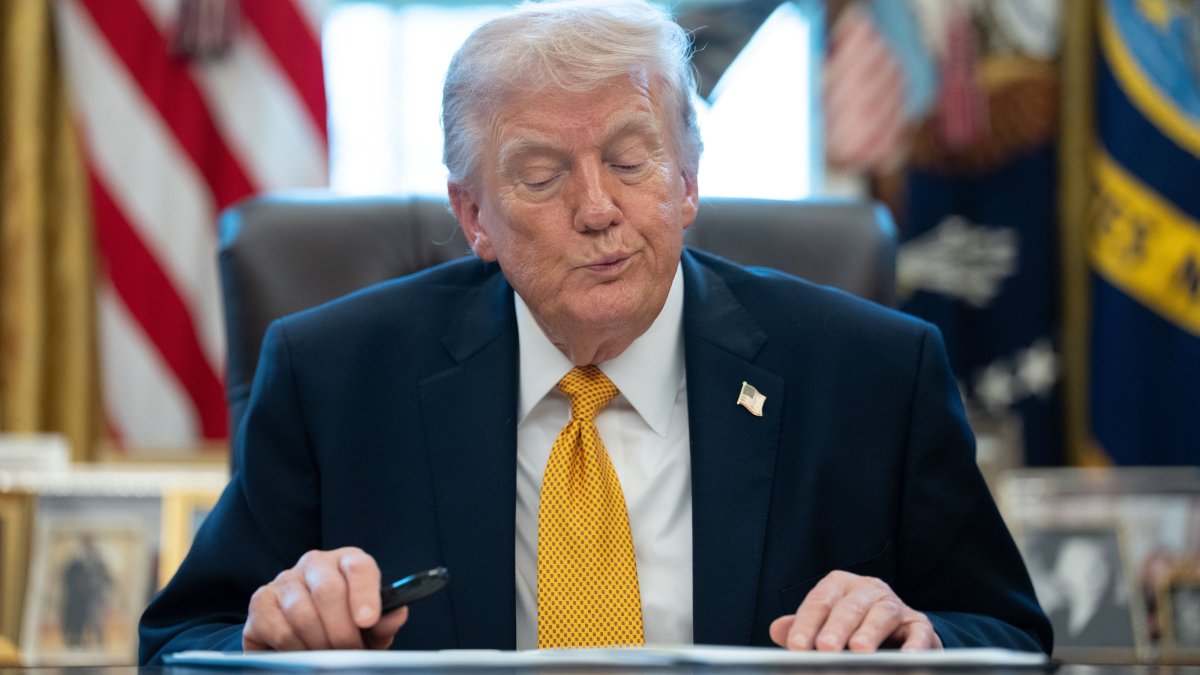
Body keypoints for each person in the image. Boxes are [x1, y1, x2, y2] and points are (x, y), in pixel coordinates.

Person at [138, 0, 1052, 663]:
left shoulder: (872, 374)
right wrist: (273, 634)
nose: (597, 208)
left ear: (686, 183)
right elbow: (182, 640)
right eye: (539, 175)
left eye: (629, 159)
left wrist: (919, 632)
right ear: (475, 217)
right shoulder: (332, 376)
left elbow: (1010, 633)